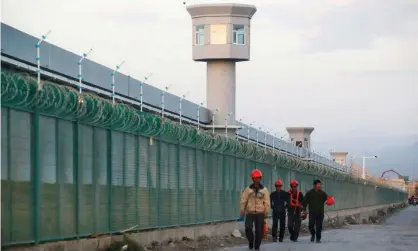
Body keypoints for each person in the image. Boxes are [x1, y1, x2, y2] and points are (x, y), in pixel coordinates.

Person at [240, 169, 270, 250]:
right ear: (252, 179)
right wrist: (242, 210)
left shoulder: (264, 190)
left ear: (260, 178)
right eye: (255, 178)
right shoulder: (248, 189)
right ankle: (251, 241)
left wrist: (266, 212)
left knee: (259, 231)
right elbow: (243, 200)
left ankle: (257, 246)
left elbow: (267, 202)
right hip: (250, 212)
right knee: (248, 228)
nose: (257, 180)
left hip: (260, 213)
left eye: (258, 178)